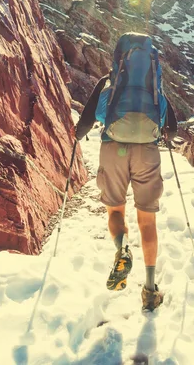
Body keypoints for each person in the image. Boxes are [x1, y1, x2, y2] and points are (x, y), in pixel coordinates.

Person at [75, 32, 177, 312]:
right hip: (147, 152)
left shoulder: (108, 84)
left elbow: (87, 120)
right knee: (147, 221)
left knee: (116, 212)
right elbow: (172, 127)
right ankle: (150, 289)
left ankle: (122, 249)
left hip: (112, 149)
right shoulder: (154, 86)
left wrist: (77, 135)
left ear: (117, 56)